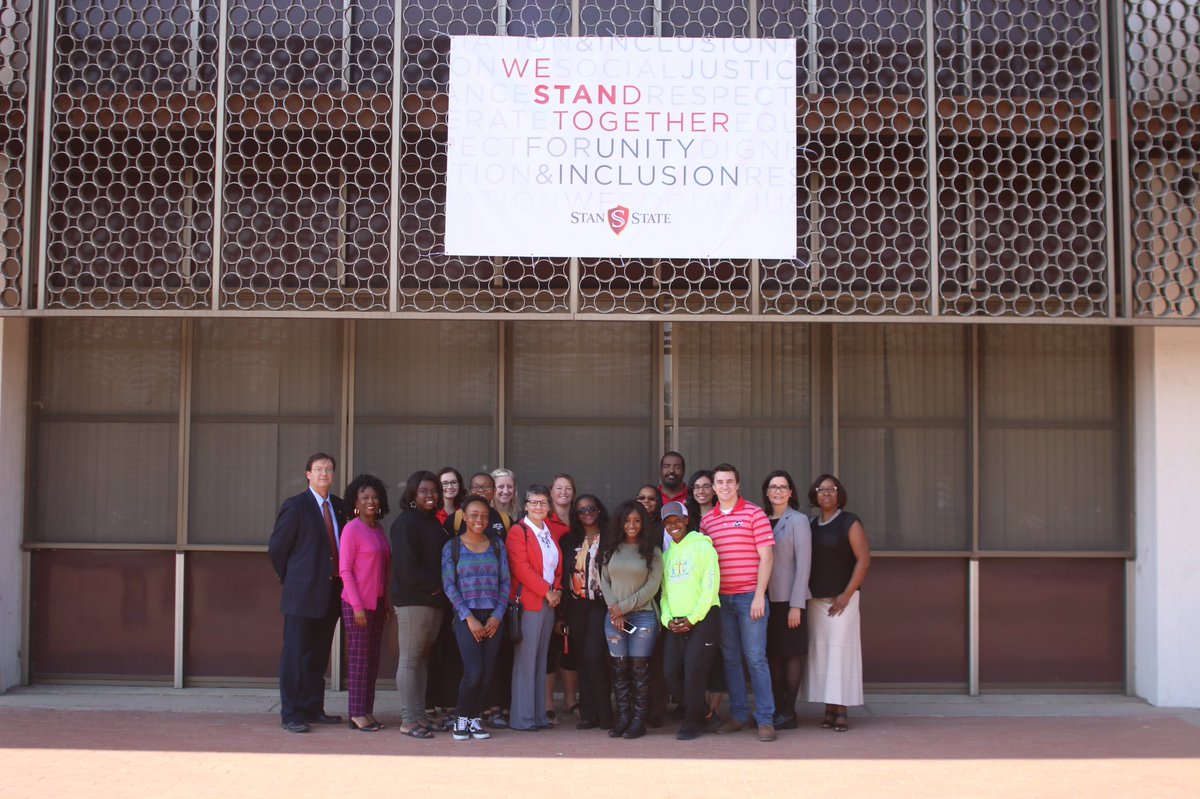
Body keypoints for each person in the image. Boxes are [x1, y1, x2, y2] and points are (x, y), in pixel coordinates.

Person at [268, 452, 346, 733]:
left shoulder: (339, 507)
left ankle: (313, 707)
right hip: (301, 594)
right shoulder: (296, 506)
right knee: (295, 654)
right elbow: (277, 549)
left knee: (318, 654)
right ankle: (291, 712)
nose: (324, 473)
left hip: (331, 592)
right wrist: (291, 580)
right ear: (308, 474)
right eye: (318, 468)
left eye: (328, 469)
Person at [701, 463, 777, 742]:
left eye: (729, 482)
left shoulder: (754, 513)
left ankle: (766, 719)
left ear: (738, 485)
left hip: (749, 598)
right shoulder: (707, 521)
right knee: (731, 659)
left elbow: (767, 557)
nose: (724, 487)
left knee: (755, 658)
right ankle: (740, 715)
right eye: (719, 482)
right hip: (722, 600)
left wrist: (760, 594)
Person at [442, 495, 512, 742]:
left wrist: (497, 616)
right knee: (473, 671)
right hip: (466, 617)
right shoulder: (452, 547)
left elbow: (506, 584)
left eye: (483, 515)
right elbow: (450, 586)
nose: (479, 519)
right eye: (473, 514)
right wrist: (468, 618)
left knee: (487, 672)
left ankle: (474, 719)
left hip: (494, 616)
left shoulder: (497, 545)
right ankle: (461, 718)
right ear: (464, 516)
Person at [806, 474, 871, 733]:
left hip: (843, 600)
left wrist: (847, 594)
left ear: (839, 494)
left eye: (831, 490)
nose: (826, 494)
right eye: (821, 490)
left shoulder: (849, 522)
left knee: (841, 653)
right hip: (817, 601)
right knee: (822, 655)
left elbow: (863, 560)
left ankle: (842, 709)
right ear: (815, 495)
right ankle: (829, 708)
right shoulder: (812, 525)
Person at [389, 470, 446, 739]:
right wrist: (434, 587)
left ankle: (421, 715)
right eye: (424, 491)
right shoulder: (406, 523)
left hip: (434, 603)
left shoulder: (433, 523)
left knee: (423, 659)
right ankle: (408, 720)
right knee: (410, 660)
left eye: (434, 491)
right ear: (413, 494)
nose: (430, 495)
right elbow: (405, 567)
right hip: (414, 602)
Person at [600, 500, 663, 739]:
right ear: (620, 523)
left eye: (637, 521)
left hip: (644, 616)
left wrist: (621, 609)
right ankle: (624, 718)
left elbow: (652, 586)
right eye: (627, 521)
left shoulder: (652, 551)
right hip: (614, 617)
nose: (632, 525)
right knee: (619, 669)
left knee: (639, 669)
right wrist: (614, 609)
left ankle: (639, 720)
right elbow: (604, 580)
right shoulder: (611, 549)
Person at [658, 501, 722, 740]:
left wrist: (693, 618)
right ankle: (706, 714)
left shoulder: (703, 546)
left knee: (693, 672)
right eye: (667, 522)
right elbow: (664, 593)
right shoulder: (666, 555)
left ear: (686, 520)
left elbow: (710, 587)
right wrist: (666, 619)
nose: (673, 525)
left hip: (703, 619)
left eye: (677, 520)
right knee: (670, 673)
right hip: (675, 621)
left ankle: (692, 722)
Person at [507, 484, 564, 731]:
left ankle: (539, 715)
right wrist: (546, 590)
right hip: (529, 602)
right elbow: (521, 568)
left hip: (549, 602)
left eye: (543, 502)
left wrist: (558, 589)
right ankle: (523, 718)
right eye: (534, 502)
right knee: (526, 661)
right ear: (526, 505)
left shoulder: (547, 531)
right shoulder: (519, 531)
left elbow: (556, 566)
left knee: (541, 660)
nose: (538, 507)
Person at [339, 473, 392, 732]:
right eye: (364, 497)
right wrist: (357, 606)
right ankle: (357, 713)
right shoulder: (352, 529)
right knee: (359, 660)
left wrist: (387, 604)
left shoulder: (378, 529)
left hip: (378, 603)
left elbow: (383, 569)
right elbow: (345, 570)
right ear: (355, 501)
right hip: (356, 605)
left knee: (371, 660)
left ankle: (367, 711)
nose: (370, 501)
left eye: (374, 496)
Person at [761, 470, 812, 731]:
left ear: (791, 492)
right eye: (773, 487)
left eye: (783, 487)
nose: (778, 491)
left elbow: (804, 564)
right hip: (764, 599)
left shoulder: (798, 520)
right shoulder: (760, 519)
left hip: (789, 600)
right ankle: (777, 709)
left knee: (791, 655)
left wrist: (796, 605)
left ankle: (788, 711)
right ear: (767, 492)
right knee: (773, 656)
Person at [560, 494, 612, 730]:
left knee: (595, 655)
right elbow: (562, 576)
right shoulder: (568, 539)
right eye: (582, 510)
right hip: (576, 605)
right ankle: (589, 714)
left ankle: (606, 714)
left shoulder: (611, 537)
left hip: (602, 604)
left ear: (599, 510)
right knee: (582, 657)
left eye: (591, 508)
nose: (587, 512)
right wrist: (561, 615)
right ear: (576, 515)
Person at [685, 467, 723, 729]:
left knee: (717, 655)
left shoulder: (722, 516)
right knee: (692, 658)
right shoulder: (685, 518)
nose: (701, 491)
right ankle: (694, 705)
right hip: (689, 598)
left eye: (706, 486)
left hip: (718, 594)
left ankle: (713, 709)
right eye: (696, 487)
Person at [545, 473, 578, 722]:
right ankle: (547, 703)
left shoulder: (580, 521)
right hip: (549, 593)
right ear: (551, 492)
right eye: (559, 488)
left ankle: (570, 700)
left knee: (571, 648)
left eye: (568, 488)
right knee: (550, 648)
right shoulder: (545, 521)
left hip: (576, 593)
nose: (563, 492)